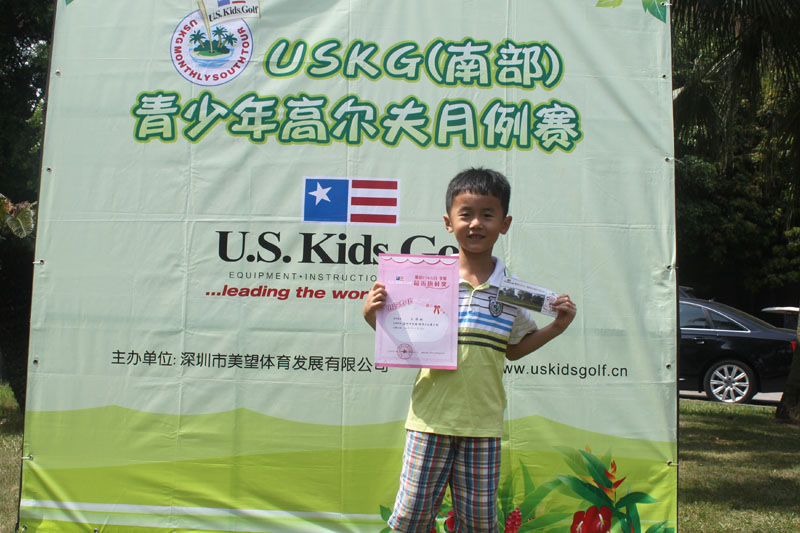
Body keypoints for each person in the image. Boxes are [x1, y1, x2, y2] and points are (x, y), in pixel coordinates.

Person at [363, 167, 577, 532]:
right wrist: (373, 316)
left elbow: (513, 350)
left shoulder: (511, 293)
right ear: (449, 222)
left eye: (487, 214)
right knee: (411, 517)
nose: (476, 223)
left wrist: (557, 326)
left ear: (504, 224)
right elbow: (405, 342)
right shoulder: (426, 283)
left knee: (478, 522)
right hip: (429, 422)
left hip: (482, 425)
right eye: (466, 214)